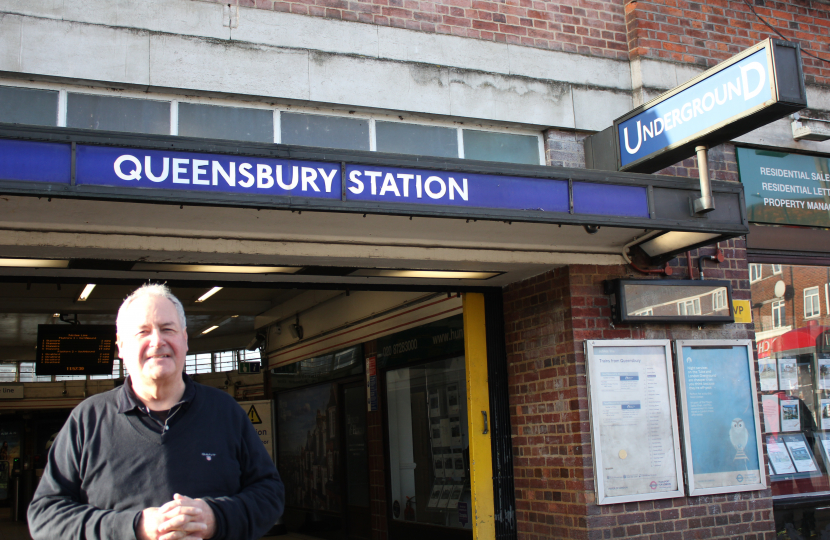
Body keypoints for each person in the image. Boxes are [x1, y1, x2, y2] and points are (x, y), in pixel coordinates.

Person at [28, 283, 284, 540]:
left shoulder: (225, 412)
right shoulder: (87, 420)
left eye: (167, 329)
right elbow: (45, 515)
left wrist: (216, 517)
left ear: (184, 340)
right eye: (143, 332)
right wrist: (135, 527)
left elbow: (270, 494)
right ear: (121, 347)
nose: (157, 341)